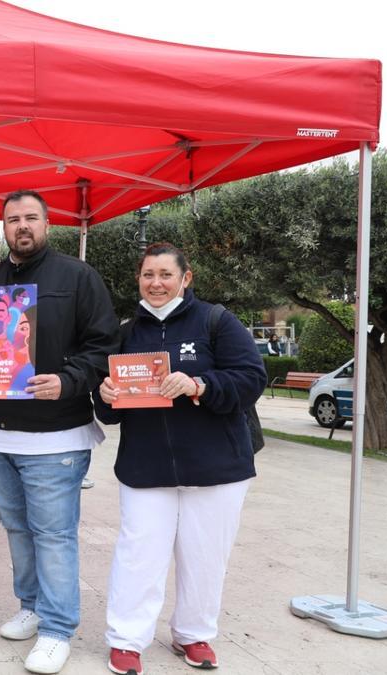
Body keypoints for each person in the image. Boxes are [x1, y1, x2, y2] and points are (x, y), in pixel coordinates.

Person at [0, 189, 118, 674]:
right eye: (13, 219)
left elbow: (103, 348)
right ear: (3, 227)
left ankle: (58, 629)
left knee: (54, 535)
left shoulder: (79, 278)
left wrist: (67, 381)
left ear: (47, 223)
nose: (22, 226)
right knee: (18, 529)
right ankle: (32, 605)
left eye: (31, 218)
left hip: (57, 437)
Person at [95, 243, 265, 675]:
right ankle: (127, 640)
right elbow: (108, 410)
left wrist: (199, 385)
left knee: (206, 556)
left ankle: (194, 634)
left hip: (217, 469)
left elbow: (250, 379)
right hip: (146, 468)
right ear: (139, 278)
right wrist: (106, 395)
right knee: (139, 555)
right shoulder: (127, 332)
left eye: (166, 274)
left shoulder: (216, 321)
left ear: (185, 278)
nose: (156, 283)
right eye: (148, 274)